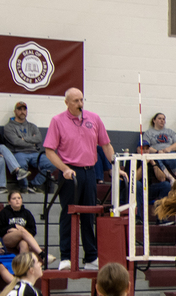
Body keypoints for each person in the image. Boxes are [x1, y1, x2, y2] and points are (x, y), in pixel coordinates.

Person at [44, 88, 126, 272]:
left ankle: (91, 256)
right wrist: (64, 168)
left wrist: (116, 167)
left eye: (81, 100)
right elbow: (49, 151)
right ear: (67, 103)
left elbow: (105, 144)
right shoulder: (57, 121)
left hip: (90, 171)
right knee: (68, 214)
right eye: (75, 101)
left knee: (90, 214)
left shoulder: (93, 118)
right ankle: (66, 257)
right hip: (70, 172)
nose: (80, 104)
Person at [3, 101, 56, 193]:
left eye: (24, 109)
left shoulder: (32, 126)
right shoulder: (9, 127)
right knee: (21, 165)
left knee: (52, 163)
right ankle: (24, 187)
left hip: (34, 153)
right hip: (18, 153)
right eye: (19, 109)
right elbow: (16, 142)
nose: (22, 112)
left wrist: (23, 139)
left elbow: (39, 139)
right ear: (15, 111)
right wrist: (31, 141)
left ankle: (34, 184)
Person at [0, 191, 53, 264]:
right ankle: (42, 254)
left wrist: (19, 230)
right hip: (7, 239)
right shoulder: (3, 213)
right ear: (9, 202)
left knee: (24, 243)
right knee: (21, 231)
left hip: (22, 238)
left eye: (19, 198)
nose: (17, 200)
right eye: (14, 198)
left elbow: (33, 231)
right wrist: (12, 228)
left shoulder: (27, 213)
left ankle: (23, 269)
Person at [143, 113, 176, 181]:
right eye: (159, 118)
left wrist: (169, 149)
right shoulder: (148, 133)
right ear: (154, 120)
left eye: (163, 119)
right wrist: (157, 151)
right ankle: (171, 179)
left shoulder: (170, 131)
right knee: (157, 160)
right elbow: (145, 147)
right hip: (156, 154)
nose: (162, 120)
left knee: (175, 158)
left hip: (169, 153)